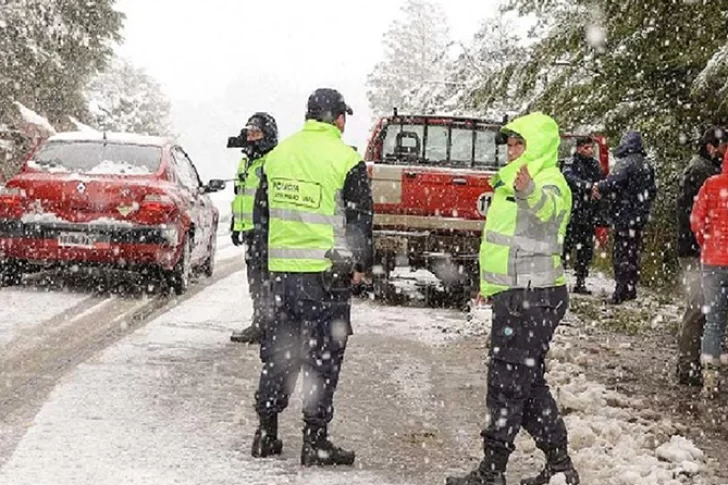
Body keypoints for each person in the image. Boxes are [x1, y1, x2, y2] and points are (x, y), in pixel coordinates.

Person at [447, 112, 579, 485]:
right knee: (527, 382)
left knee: (507, 382)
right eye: (509, 143)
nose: (511, 150)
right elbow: (503, 242)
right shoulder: (510, 182)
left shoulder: (548, 181)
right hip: (518, 295)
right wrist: (488, 286)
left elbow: (550, 213)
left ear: (536, 145)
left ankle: (493, 471)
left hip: (533, 297)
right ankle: (560, 467)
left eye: (519, 143)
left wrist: (530, 192)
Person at [249, 88, 373, 466]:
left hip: (281, 276)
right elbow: (360, 221)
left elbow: (262, 219)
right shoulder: (346, 159)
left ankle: (266, 432)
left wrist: (264, 269)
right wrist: (361, 267)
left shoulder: (278, 155)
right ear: (337, 118)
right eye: (343, 117)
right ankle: (315, 441)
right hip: (325, 279)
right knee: (322, 358)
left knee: (280, 354)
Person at [675, 126, 727, 386]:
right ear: (711, 147)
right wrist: (703, 242)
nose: (724, 152)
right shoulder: (702, 172)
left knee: (702, 308)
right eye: (722, 147)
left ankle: (692, 364)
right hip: (697, 251)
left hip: (700, 249)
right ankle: (687, 366)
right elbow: (695, 217)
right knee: (697, 307)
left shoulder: (703, 170)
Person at [229, 113, 279, 344]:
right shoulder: (246, 161)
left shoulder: (272, 160)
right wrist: (236, 224)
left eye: (256, 133)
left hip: (266, 230)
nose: (251, 138)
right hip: (249, 229)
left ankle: (266, 326)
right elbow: (241, 194)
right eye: (249, 133)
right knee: (255, 279)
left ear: (267, 135)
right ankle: (260, 322)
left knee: (265, 279)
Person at [592, 131, 657, 304]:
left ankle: (620, 291)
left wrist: (599, 186)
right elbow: (652, 192)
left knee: (621, 254)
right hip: (639, 218)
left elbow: (612, 183)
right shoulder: (647, 165)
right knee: (633, 253)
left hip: (624, 217)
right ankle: (631, 288)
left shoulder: (625, 164)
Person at [690, 149, 728, 399]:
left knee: (714, 318)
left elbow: (696, 219)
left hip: (713, 260)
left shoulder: (712, 184)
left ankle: (709, 376)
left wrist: (707, 242)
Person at [562, 136, 604, 294]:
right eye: (586, 148)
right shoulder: (571, 163)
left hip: (588, 214)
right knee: (565, 248)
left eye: (591, 147)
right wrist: (587, 187)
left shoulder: (595, 165)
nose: (590, 150)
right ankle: (557, 281)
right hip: (572, 213)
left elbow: (600, 182)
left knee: (585, 251)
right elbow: (569, 178)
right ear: (579, 149)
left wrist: (598, 189)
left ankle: (581, 281)